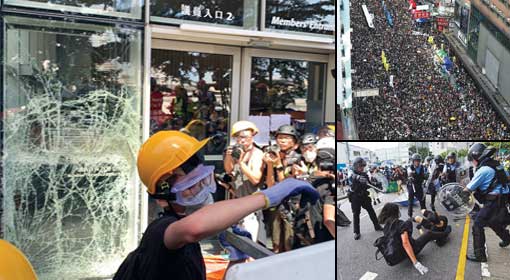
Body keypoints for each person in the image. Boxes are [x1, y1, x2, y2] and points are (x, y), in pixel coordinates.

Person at [113, 131, 319, 279]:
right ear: (161, 197)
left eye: (204, 181)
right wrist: (267, 197)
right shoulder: (160, 231)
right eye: (191, 186)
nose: (202, 191)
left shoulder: (187, 246)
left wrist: (237, 259)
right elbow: (193, 228)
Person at [463, 143, 510, 262]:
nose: (472, 162)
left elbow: (468, 190)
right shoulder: (497, 165)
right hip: (502, 200)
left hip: (493, 202)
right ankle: (507, 238)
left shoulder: (483, 170)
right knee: (493, 222)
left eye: (472, 160)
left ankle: (480, 255)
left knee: (478, 224)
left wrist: (456, 195)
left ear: (477, 157)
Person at [376, 203, 451, 275]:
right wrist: (416, 263)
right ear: (395, 212)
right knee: (428, 234)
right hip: (413, 249)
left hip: (399, 253)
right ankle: (445, 233)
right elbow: (405, 243)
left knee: (412, 225)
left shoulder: (386, 227)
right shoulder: (400, 224)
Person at [223, 120, 266, 245]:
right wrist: (229, 156)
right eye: (238, 137)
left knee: (250, 241)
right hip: (237, 200)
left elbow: (255, 179)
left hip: (252, 202)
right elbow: (229, 170)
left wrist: (241, 163)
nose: (242, 140)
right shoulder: (236, 152)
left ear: (252, 137)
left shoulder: (257, 154)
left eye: (245, 137)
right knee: (237, 242)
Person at [262, 124, 301, 253]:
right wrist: (269, 165)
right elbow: (270, 185)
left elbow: (288, 186)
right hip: (276, 204)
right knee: (276, 244)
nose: (282, 141)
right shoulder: (274, 155)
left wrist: (278, 165)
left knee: (289, 243)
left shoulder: (297, 158)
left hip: (292, 205)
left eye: (286, 138)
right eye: (280, 138)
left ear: (294, 142)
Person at [348, 157, 383, 240]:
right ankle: (356, 232)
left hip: (364, 196)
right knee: (356, 214)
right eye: (360, 166)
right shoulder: (351, 174)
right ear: (356, 166)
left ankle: (377, 226)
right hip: (355, 197)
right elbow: (352, 177)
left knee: (371, 210)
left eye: (363, 167)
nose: (362, 168)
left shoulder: (364, 174)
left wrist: (377, 184)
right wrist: (358, 178)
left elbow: (369, 184)